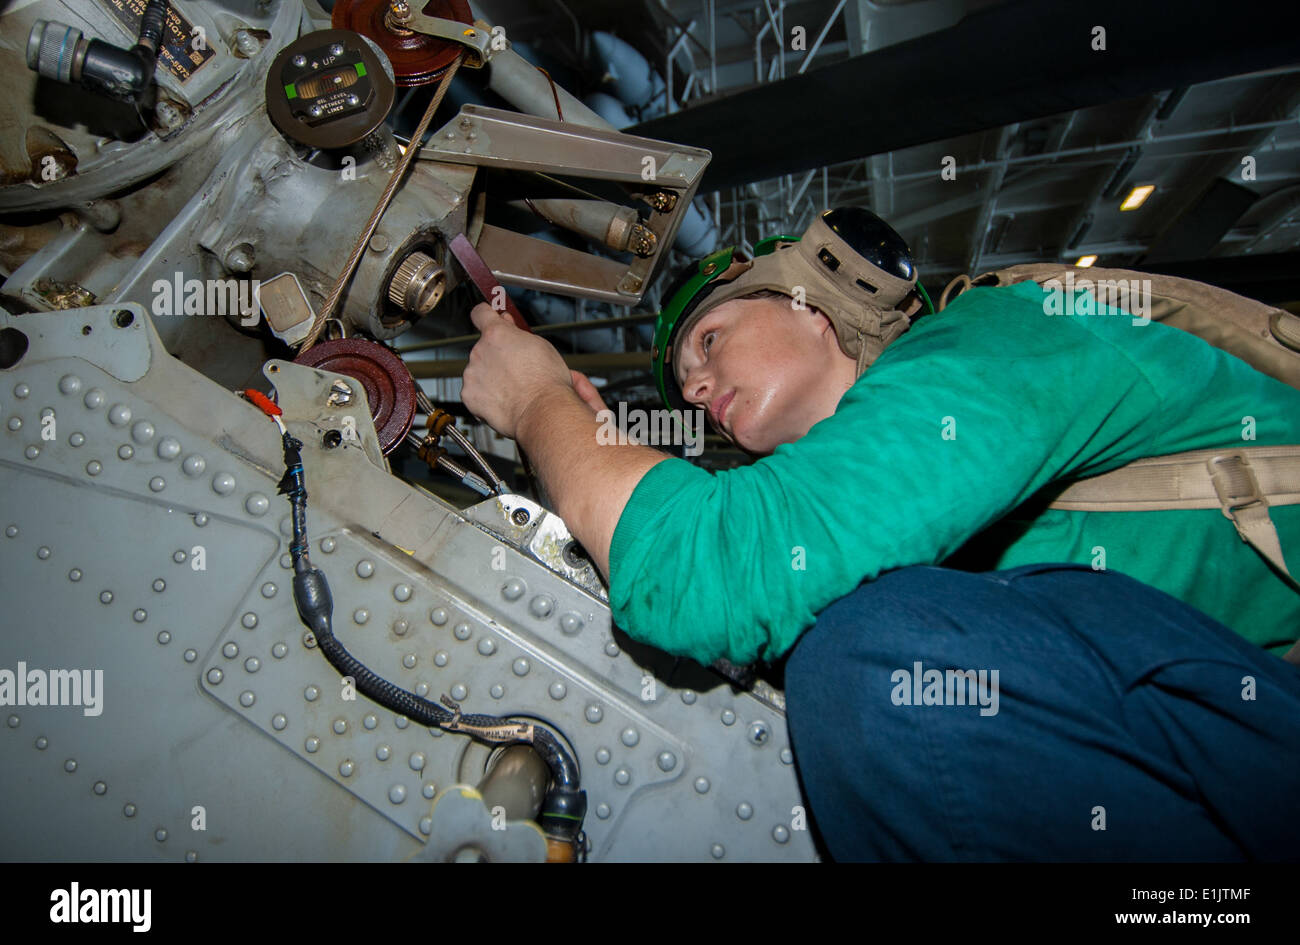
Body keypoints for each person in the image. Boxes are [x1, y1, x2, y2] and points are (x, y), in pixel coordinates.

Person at [461, 206, 1300, 861]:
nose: (698, 384)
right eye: (686, 386)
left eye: (710, 341)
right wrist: (591, 456)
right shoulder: (890, 501)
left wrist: (541, 406)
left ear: (816, 309)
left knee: (886, 655)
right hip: (1229, 759)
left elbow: (717, 573)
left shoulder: (997, 340)